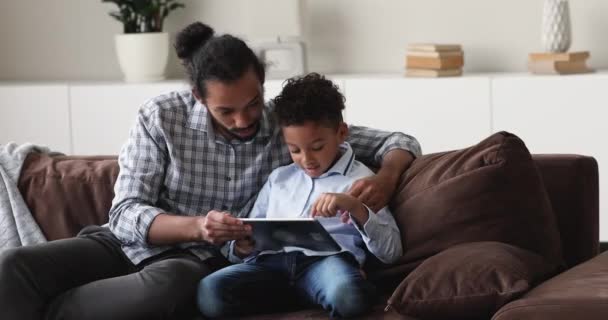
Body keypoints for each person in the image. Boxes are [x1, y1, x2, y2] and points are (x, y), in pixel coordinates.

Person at [0, 22, 421, 319]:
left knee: (172, 287)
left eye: (253, 102)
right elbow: (125, 211)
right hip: (121, 244)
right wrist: (198, 225)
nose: (244, 120)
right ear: (198, 97)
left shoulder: (285, 126)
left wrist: (383, 181)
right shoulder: (161, 117)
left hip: (188, 263)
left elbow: (398, 141)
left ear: (262, 85)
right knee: (13, 266)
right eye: (227, 110)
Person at [197, 73, 404, 318]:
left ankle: (331, 289)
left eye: (317, 147)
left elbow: (392, 251)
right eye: (294, 150)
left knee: (347, 294)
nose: (307, 160)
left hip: (326, 265)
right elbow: (246, 236)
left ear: (341, 133)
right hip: (270, 266)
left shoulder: (362, 182)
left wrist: (354, 207)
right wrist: (242, 246)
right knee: (210, 290)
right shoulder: (279, 179)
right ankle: (300, 296)